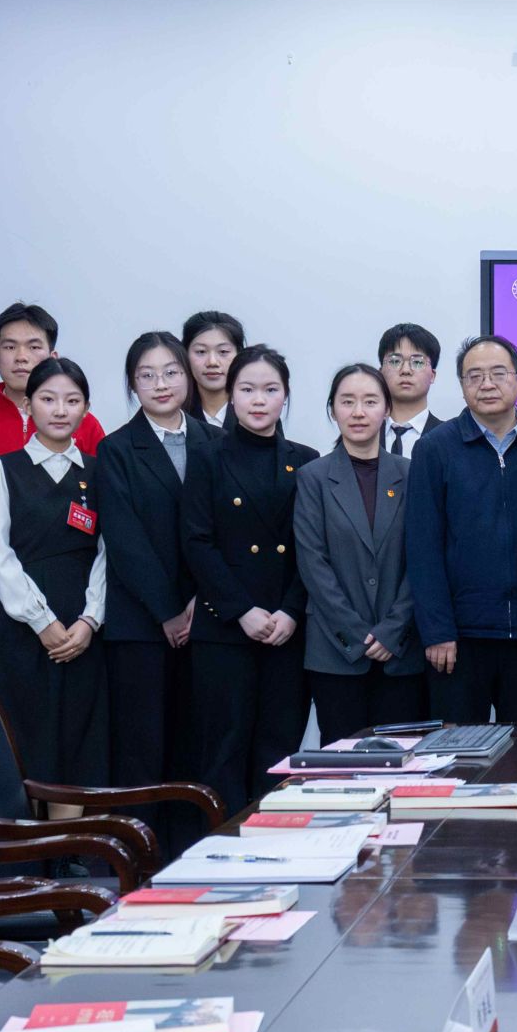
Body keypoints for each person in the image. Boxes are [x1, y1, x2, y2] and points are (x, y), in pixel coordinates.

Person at [181, 346, 319, 813]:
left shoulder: (307, 460)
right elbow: (197, 541)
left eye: (270, 389)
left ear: (286, 396)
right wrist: (241, 609)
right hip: (224, 628)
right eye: (247, 389)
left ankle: (277, 843)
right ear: (231, 394)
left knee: (279, 752)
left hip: (287, 630)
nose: (259, 400)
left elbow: (311, 549)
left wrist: (292, 611)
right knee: (223, 750)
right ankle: (220, 849)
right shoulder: (206, 456)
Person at [94, 332, 212, 851]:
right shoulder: (116, 449)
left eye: (171, 372)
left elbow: (221, 534)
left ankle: (194, 854)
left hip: (207, 618)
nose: (161, 384)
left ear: (188, 376)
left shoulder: (214, 440)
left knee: (196, 742)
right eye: (147, 375)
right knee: (141, 747)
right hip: (140, 624)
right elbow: (125, 541)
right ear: (132, 383)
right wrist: (167, 610)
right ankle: (138, 859)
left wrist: (199, 601)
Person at [0, 357, 109, 787]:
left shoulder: (100, 471)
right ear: (28, 405)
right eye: (48, 399)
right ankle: (27, 834)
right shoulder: (1, 469)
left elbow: (107, 554)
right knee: (24, 744)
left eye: (72, 400)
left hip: (84, 631)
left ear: (86, 408)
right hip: (22, 630)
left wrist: (91, 619)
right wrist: (41, 620)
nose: (60, 410)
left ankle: (74, 831)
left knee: (79, 744)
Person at [406, 335, 517, 724]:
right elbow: (422, 546)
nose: (486, 384)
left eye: (498, 373)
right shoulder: (435, 448)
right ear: (462, 384)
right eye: (474, 376)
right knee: (457, 750)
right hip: (460, 637)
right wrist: (437, 631)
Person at [294, 365, 422, 742]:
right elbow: (313, 563)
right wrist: (356, 634)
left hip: (401, 653)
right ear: (332, 409)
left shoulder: (411, 474)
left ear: (387, 409)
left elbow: (422, 559)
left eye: (370, 401)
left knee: (403, 762)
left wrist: (393, 630)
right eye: (347, 402)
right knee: (340, 764)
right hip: (335, 654)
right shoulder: (313, 477)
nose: (359, 412)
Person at [0, 302, 105, 470]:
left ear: (53, 358)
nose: (21, 357)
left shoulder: (84, 423)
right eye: (10, 347)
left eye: (34, 347)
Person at [378, 322, 444, 459]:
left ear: (432, 375)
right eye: (395, 361)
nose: (406, 370)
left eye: (418, 362)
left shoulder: (449, 437)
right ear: (380, 373)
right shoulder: (364, 434)